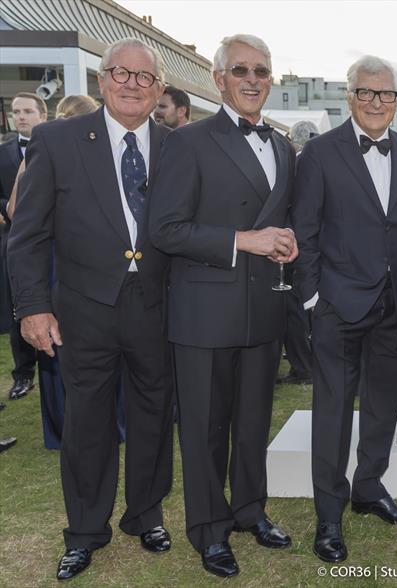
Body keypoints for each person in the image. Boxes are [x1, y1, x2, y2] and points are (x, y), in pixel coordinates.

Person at [8, 38, 175, 580]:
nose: (131, 84)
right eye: (119, 74)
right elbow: (27, 236)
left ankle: (146, 513)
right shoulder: (55, 141)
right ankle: (84, 530)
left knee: (154, 416)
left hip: (158, 307)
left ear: (158, 90)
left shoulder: (179, 147)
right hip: (83, 309)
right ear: (102, 81)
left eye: (143, 77)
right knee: (87, 423)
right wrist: (33, 307)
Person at [149, 33, 296, 578]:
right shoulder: (187, 142)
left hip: (264, 310)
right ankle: (209, 530)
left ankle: (250, 510)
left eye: (262, 70)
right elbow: (165, 229)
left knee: (254, 423)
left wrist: (289, 238)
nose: (253, 79)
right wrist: (242, 239)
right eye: (241, 71)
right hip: (204, 313)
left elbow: (283, 215)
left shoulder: (282, 144)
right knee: (207, 429)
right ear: (218, 80)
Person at [292, 55, 397, 564]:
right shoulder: (318, 153)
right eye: (367, 93)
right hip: (337, 306)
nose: (377, 102)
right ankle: (328, 515)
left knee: (382, 405)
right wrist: (313, 299)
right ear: (349, 96)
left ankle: (369, 487)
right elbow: (304, 232)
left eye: (387, 94)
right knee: (333, 413)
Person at [5, 94, 125, 451]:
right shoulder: (50, 148)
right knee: (60, 343)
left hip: (64, 261)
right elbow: (20, 216)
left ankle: (65, 428)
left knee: (63, 350)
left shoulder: (42, 148)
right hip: (62, 262)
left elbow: (13, 209)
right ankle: (90, 428)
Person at [0, 92, 47, 400]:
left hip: (47, 239)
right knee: (18, 307)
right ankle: (23, 374)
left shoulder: (58, 146)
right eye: (17, 112)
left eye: (28, 111)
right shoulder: (2, 153)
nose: (21, 117)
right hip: (12, 237)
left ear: (42, 115)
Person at [275, 120, 321, 386]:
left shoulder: (299, 161)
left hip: (295, 246)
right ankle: (303, 365)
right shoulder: (319, 158)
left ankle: (303, 366)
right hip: (303, 245)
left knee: (294, 310)